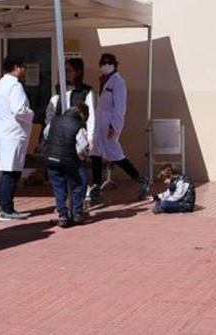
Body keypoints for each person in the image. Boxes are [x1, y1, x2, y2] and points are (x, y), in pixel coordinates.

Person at [89, 53, 151, 203]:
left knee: (116, 155)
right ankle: (96, 186)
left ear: (115, 64)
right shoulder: (103, 80)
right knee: (95, 153)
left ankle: (141, 179)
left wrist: (114, 126)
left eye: (109, 62)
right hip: (99, 124)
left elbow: (120, 107)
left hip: (109, 124)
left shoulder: (118, 82)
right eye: (103, 62)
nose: (105, 65)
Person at [0, 56, 34, 221]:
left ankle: (2, 205)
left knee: (6, 170)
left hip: (3, 133)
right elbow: (19, 110)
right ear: (17, 67)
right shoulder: (15, 86)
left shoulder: (0, 84)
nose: (24, 70)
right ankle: (7, 209)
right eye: (23, 67)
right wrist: (31, 113)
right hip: (13, 134)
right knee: (12, 172)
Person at [41, 100, 90, 228]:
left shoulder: (54, 121)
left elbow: (46, 134)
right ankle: (77, 213)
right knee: (79, 184)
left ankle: (63, 216)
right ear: (83, 115)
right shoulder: (78, 126)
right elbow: (82, 147)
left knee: (59, 188)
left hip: (51, 158)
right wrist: (82, 158)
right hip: (68, 161)